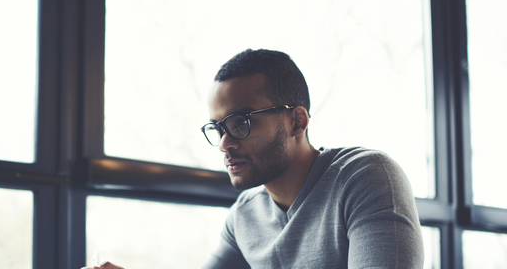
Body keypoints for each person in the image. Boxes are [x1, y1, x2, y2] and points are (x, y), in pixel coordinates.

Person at [83, 49, 424, 269]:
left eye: (241, 123)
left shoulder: (366, 177)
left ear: (297, 120)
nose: (224, 144)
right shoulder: (245, 216)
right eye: (218, 128)